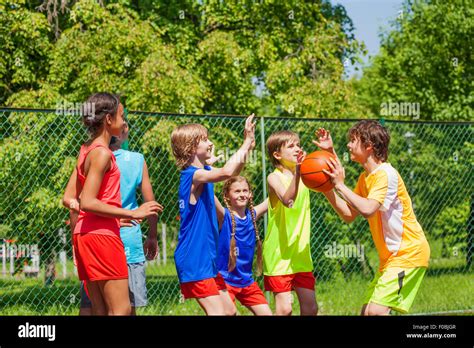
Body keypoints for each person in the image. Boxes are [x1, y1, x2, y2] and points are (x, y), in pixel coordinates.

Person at [316, 121, 430, 315]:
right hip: (391, 259)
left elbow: (368, 209)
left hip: (408, 254)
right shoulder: (365, 177)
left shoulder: (386, 174)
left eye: (353, 141)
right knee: (366, 313)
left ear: (369, 146)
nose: (349, 145)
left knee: (375, 312)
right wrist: (327, 186)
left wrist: (340, 186)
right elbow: (349, 214)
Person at [62, 92, 160, 315]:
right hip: (102, 238)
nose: (124, 122)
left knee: (100, 310)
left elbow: (69, 199)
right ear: (108, 119)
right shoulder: (103, 154)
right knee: (121, 310)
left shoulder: (86, 149)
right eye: (121, 115)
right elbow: (86, 201)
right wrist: (132, 213)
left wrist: (112, 215)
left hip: (85, 235)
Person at [170, 115, 255, 315]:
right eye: (205, 140)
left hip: (207, 259)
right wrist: (247, 142)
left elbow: (231, 173)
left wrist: (248, 147)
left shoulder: (202, 173)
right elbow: (227, 172)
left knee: (229, 312)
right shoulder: (193, 175)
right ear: (191, 148)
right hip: (194, 258)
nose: (210, 143)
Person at [263, 130, 318, 316]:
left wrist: (329, 151)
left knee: (311, 308)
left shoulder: (306, 176)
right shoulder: (274, 177)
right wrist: (299, 172)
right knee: (285, 309)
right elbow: (288, 200)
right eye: (291, 146)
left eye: (298, 144)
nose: (298, 149)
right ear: (277, 155)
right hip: (279, 254)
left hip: (301, 254)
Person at [214, 176, 272, 316]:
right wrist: (205, 169)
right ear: (227, 196)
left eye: (245, 190)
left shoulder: (252, 215)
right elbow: (210, 195)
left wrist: (297, 174)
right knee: (229, 313)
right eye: (237, 191)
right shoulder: (224, 216)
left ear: (250, 194)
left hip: (246, 281)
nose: (242, 194)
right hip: (224, 281)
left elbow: (274, 198)